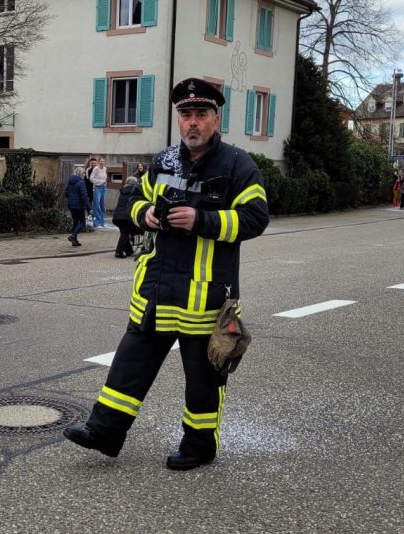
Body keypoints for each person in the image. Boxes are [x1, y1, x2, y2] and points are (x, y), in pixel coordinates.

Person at [63, 77, 269, 471]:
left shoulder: (238, 165)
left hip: (205, 298)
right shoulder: (164, 160)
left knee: (204, 380)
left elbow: (256, 218)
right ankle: (104, 432)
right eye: (186, 115)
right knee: (128, 366)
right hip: (155, 291)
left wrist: (202, 219)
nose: (192, 122)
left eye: (200, 114)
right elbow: (130, 201)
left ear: (215, 118)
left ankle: (198, 447)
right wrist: (147, 214)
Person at [112, 176, 141, 258]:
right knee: (126, 232)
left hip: (117, 216)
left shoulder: (123, 191)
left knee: (124, 232)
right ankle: (119, 252)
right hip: (126, 216)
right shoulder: (135, 191)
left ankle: (129, 250)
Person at [65, 167, 91, 246]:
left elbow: (66, 193)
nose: (85, 175)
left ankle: (74, 241)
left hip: (71, 205)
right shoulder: (81, 182)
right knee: (82, 223)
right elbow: (84, 196)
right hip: (79, 206)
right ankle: (73, 236)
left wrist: (71, 199)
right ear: (80, 173)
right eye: (84, 173)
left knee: (75, 222)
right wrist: (89, 208)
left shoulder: (70, 181)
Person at [90, 157, 108, 228]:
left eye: (103, 161)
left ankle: (102, 222)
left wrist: (104, 183)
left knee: (102, 205)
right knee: (96, 205)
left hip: (104, 188)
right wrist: (100, 182)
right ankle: (96, 223)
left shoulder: (105, 169)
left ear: (105, 162)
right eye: (101, 161)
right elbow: (91, 178)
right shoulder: (96, 169)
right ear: (98, 162)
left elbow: (105, 178)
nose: (102, 162)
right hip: (97, 188)